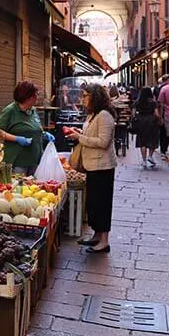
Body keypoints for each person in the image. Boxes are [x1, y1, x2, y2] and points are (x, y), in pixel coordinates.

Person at [68, 84, 117, 253]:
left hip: (102, 166)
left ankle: (104, 242)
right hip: (92, 166)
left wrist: (79, 137)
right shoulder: (93, 115)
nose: (83, 99)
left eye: (86, 95)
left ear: (94, 97)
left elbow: (103, 142)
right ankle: (96, 236)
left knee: (102, 204)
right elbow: (90, 136)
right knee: (94, 204)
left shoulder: (104, 116)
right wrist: (78, 133)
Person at [0, 81, 54, 174]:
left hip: (35, 160)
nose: (37, 97)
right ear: (27, 97)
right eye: (35, 95)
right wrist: (17, 139)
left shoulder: (33, 110)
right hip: (18, 162)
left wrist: (43, 134)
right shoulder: (10, 110)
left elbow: (36, 128)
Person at [131, 86, 162, 168]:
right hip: (151, 121)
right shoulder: (153, 102)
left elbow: (133, 114)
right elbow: (156, 114)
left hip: (140, 122)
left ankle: (144, 160)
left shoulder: (137, 102)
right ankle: (150, 156)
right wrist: (159, 119)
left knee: (142, 141)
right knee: (152, 139)